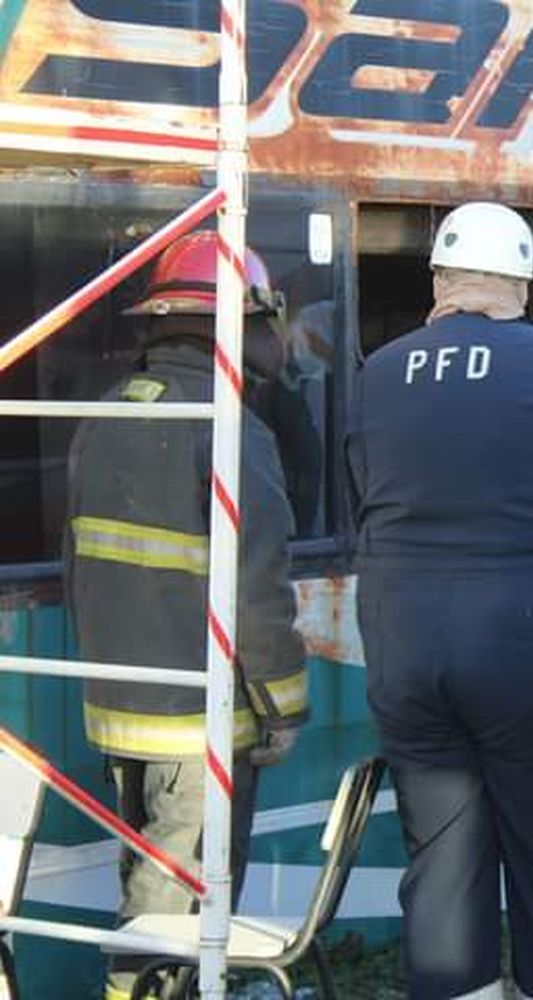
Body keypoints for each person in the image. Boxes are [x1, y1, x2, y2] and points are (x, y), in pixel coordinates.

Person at [347, 203, 533, 1000]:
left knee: (442, 868)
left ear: (440, 279)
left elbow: (361, 501)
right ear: (523, 284)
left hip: (406, 646)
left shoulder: (376, 372)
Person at [65, 231, 309, 1000]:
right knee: (174, 904)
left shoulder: (101, 418)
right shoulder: (232, 430)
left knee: (148, 877)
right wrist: (284, 706)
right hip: (196, 722)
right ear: (238, 324)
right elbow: (258, 587)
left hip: (117, 713)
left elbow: (81, 571)